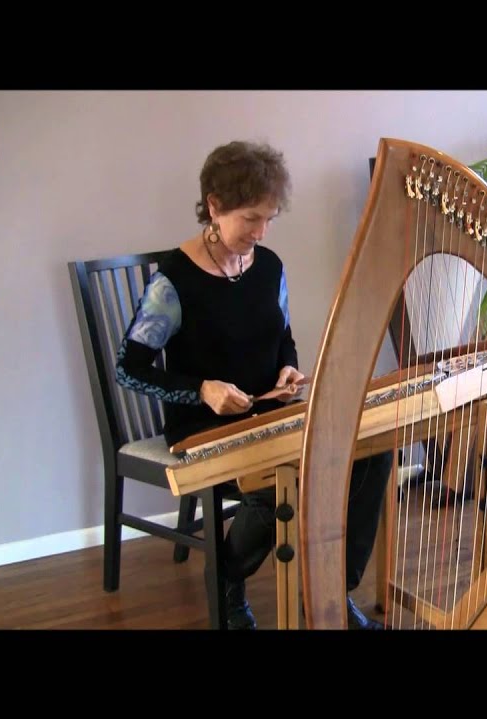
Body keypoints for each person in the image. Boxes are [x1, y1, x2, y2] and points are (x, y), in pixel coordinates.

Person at [116, 140, 391, 630]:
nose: (260, 232)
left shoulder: (269, 266)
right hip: (202, 425)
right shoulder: (173, 282)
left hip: (269, 413)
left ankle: (330, 588)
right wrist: (202, 388)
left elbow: (282, 337)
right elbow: (129, 368)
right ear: (215, 207)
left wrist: (288, 369)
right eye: (249, 219)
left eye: (269, 219)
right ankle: (227, 580)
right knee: (277, 477)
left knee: (373, 449)